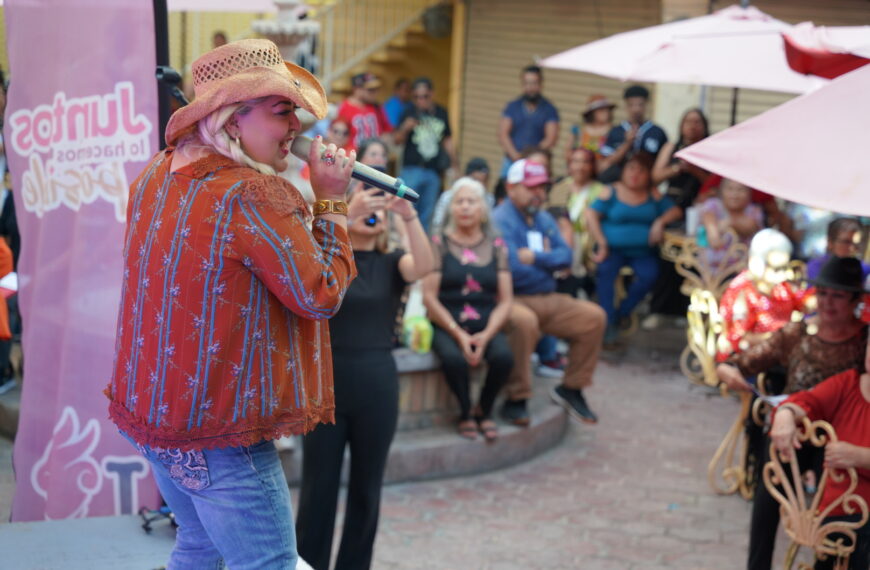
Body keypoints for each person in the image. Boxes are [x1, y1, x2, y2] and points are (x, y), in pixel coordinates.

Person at [106, 39, 356, 569]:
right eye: (282, 110)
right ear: (232, 118)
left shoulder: (157, 171)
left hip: (157, 419)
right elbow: (321, 294)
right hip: (221, 431)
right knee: (271, 565)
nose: (297, 127)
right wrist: (332, 201)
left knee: (197, 548)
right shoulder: (253, 195)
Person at [295, 136, 434, 570]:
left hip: (377, 385)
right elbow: (302, 256)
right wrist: (344, 209)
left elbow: (426, 266)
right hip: (327, 385)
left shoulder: (394, 264)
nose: (371, 213)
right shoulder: (328, 260)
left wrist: (409, 217)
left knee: (367, 488)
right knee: (318, 486)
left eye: (376, 212)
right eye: (364, 208)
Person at [717, 256, 868, 570]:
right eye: (823, 292)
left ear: (855, 300)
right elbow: (742, 361)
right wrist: (727, 368)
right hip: (794, 431)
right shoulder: (797, 333)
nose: (827, 302)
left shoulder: (865, 340)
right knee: (769, 488)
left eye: (838, 295)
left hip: (840, 442)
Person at [493, 158, 607, 426]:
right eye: (532, 187)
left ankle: (572, 388)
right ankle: (516, 398)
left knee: (593, 317)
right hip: (511, 298)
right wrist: (547, 263)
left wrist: (534, 257)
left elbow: (566, 256)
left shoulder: (542, 217)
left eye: (542, 188)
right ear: (511, 188)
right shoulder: (500, 219)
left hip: (547, 295)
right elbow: (512, 268)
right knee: (524, 322)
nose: (539, 194)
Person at [423, 177, 513, 441]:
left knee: (503, 358)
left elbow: (506, 300)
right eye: (459, 201)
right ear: (451, 208)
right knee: (453, 359)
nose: (464, 207)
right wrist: (459, 334)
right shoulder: (439, 243)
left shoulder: (497, 246)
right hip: (446, 321)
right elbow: (429, 296)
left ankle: (483, 411)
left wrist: (485, 335)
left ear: (482, 209)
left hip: (485, 322)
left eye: (471, 201)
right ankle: (465, 412)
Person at [769, 334, 870, 570]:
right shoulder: (848, 384)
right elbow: (807, 400)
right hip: (838, 514)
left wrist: (862, 457)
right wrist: (786, 415)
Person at [585, 153, 682, 344]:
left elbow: (675, 211)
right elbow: (591, 214)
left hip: (642, 252)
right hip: (612, 249)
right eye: (631, 169)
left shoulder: (652, 194)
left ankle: (623, 312)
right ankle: (608, 320)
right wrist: (602, 242)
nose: (635, 174)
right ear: (623, 172)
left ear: (648, 174)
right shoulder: (610, 191)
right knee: (605, 272)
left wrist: (660, 222)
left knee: (650, 275)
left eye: (641, 170)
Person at [717, 229, 812, 361]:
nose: (782, 274)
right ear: (757, 262)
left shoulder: (781, 285)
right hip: (747, 358)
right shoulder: (742, 290)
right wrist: (781, 337)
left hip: (780, 352)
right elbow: (740, 338)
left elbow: (804, 305)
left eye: (784, 267)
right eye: (776, 268)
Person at [394, 77, 458, 232]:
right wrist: (405, 128)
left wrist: (455, 164)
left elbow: (447, 140)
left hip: (433, 171)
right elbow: (397, 140)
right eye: (416, 97)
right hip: (411, 169)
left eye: (424, 96)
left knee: (427, 215)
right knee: (405, 210)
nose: (420, 100)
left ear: (432, 94)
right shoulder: (408, 112)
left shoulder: (441, 112)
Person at [598, 85, 668, 184]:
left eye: (640, 105)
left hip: (647, 187)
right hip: (617, 186)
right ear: (626, 106)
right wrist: (627, 143)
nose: (636, 109)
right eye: (631, 105)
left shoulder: (657, 132)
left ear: (647, 105)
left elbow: (663, 165)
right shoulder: (615, 131)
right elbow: (604, 165)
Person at [498, 65, 560, 176]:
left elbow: (551, 139)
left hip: (537, 164)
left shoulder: (549, 109)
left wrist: (530, 158)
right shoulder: (512, 106)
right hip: (511, 161)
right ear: (522, 84)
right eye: (527, 83)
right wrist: (516, 157)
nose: (530, 87)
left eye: (534, 83)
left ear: (541, 84)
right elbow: (503, 134)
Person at [697, 178, 763, 269]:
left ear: (749, 194)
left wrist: (730, 222)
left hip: (740, 271)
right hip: (710, 270)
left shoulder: (754, 211)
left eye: (740, 190)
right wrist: (714, 232)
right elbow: (713, 237)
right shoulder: (713, 204)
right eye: (730, 189)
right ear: (721, 191)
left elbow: (749, 228)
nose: (734, 195)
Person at [651, 108, 710, 210]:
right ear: (681, 126)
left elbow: (715, 185)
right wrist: (677, 168)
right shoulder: (671, 147)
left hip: (700, 202)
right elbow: (655, 177)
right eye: (688, 122)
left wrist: (695, 171)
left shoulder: (710, 150)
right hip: (672, 201)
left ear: (704, 126)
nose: (693, 126)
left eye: (697, 122)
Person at [431, 158, 494, 233]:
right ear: (466, 177)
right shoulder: (448, 196)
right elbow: (437, 224)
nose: (479, 185)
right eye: (476, 180)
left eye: (483, 181)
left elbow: (489, 227)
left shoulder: (489, 199)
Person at [337, 72, 392, 151]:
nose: (375, 93)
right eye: (371, 90)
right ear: (357, 89)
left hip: (373, 157)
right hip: (352, 157)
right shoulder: (344, 108)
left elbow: (387, 131)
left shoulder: (377, 107)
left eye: (376, 89)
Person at [565, 94, 615, 163]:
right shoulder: (578, 129)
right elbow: (568, 152)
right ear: (592, 113)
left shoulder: (614, 130)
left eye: (608, 110)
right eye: (601, 110)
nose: (606, 113)